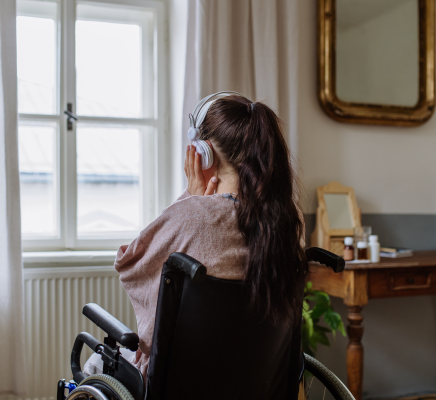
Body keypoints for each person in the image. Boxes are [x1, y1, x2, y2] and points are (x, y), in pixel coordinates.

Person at [83, 94, 307, 384]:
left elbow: (129, 263)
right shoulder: (289, 222)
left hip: (184, 382)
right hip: (254, 382)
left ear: (203, 152)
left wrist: (191, 196)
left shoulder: (191, 214)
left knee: (93, 362)